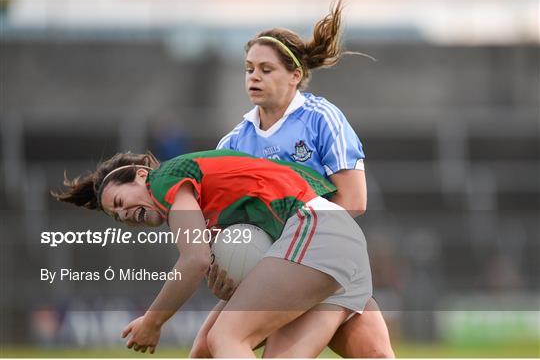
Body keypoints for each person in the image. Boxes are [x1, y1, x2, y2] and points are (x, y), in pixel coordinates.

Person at [193, 0, 394, 358]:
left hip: (323, 263)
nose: (253, 76)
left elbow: (354, 201)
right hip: (274, 272)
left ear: (295, 75)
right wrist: (224, 261)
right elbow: (221, 225)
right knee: (205, 351)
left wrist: (288, 260)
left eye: (266, 69)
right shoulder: (234, 143)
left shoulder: (321, 119)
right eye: (248, 68)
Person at [52, 149, 373, 357]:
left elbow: (195, 260)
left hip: (318, 230)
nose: (123, 216)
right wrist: (232, 286)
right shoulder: (204, 208)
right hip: (335, 246)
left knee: (226, 337)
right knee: (207, 348)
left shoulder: (164, 180)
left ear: (140, 175)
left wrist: (153, 321)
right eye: (116, 217)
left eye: (120, 203)